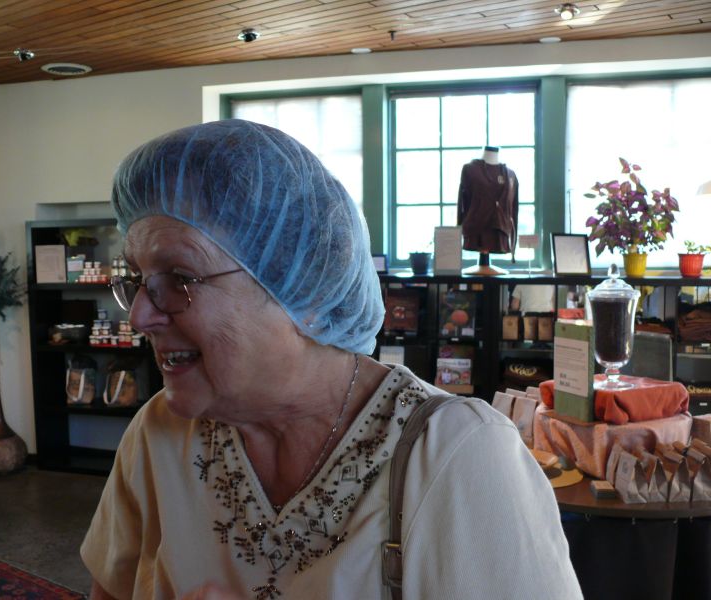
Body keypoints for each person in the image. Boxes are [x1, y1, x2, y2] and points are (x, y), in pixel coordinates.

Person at [81, 119, 582, 600]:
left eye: (179, 278)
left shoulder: (459, 455)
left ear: (300, 286)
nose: (140, 315)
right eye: (138, 279)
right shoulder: (159, 434)